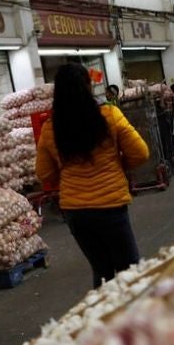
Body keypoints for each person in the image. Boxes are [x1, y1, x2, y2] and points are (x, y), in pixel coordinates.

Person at [36, 64, 150, 288]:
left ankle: (103, 318)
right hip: (111, 206)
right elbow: (141, 153)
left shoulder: (51, 128)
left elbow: (44, 174)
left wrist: (67, 177)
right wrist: (119, 166)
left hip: (76, 213)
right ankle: (136, 318)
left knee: (103, 271)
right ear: (88, 86)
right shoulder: (109, 115)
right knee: (130, 270)